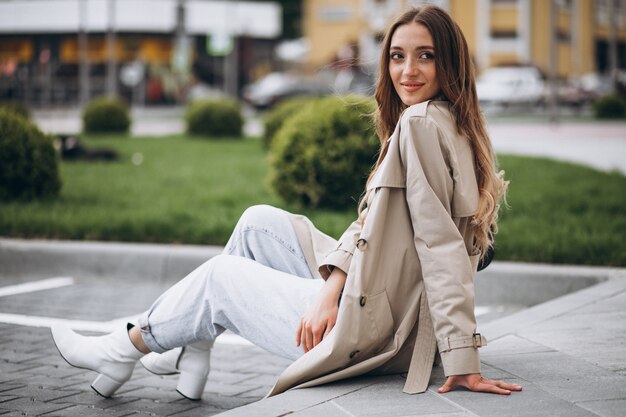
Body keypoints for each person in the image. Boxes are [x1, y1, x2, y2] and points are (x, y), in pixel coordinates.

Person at [51, 4, 522, 402]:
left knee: (221, 278)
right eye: (397, 56)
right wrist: (330, 288)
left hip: (379, 330)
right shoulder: (454, 122)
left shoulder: (420, 124)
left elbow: (441, 247)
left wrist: (463, 359)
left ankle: (122, 348)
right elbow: (371, 227)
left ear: (450, 64)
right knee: (258, 223)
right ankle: (190, 351)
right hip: (384, 295)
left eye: (426, 57)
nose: (407, 71)